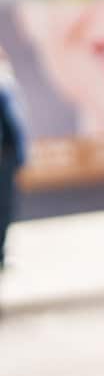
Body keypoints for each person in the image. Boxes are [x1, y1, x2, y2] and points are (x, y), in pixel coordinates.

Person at [0, 54, 26, 271]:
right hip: (3, 157)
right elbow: (14, 124)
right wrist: (20, 157)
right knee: (4, 209)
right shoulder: (3, 84)